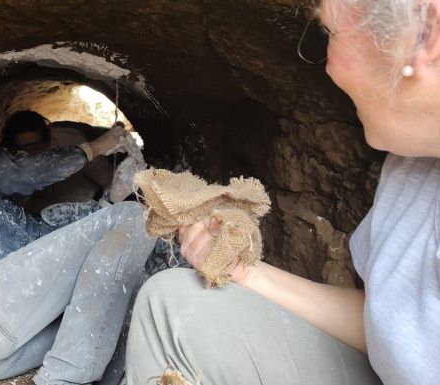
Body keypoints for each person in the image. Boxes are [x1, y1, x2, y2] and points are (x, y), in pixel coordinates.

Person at [125, 1, 440, 384]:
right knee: (169, 303)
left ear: (428, 32)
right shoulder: (414, 163)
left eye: (330, 33)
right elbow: (395, 326)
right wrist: (246, 273)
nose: (326, 63)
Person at [0, 110, 156, 384]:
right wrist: (98, 146)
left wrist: (112, 196)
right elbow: (19, 172)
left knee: (129, 306)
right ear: (5, 150)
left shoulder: (11, 217)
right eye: (24, 151)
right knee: (131, 216)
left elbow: (65, 250)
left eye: (39, 149)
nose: (33, 156)